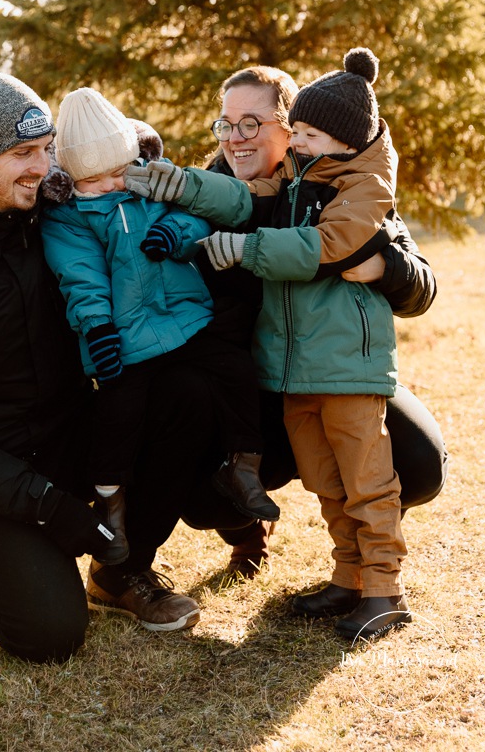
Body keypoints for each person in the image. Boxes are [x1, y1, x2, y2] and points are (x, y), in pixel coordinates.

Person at [0, 71, 218, 663]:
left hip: (71, 438)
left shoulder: (55, 223)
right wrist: (50, 508)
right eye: (23, 153)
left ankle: (122, 573)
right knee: (50, 634)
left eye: (46, 149)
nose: (44, 167)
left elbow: (131, 198)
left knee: (185, 396)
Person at [125, 57, 446, 592]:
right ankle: (249, 530)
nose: (236, 137)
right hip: (251, 389)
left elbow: (422, 288)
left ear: (293, 129)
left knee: (416, 462)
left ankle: (370, 569)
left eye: (252, 123)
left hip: (336, 372)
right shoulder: (209, 195)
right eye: (226, 124)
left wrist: (386, 267)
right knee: (210, 496)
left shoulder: (342, 187)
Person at [39, 87, 280, 565]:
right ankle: (111, 501)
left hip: (186, 317)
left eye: (118, 172)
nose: (111, 185)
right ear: (69, 178)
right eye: (94, 180)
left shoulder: (149, 185)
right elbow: (80, 277)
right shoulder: (69, 219)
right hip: (125, 335)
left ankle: (244, 465)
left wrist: (177, 234)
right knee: (118, 414)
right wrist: (97, 328)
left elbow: (192, 219)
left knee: (234, 370)